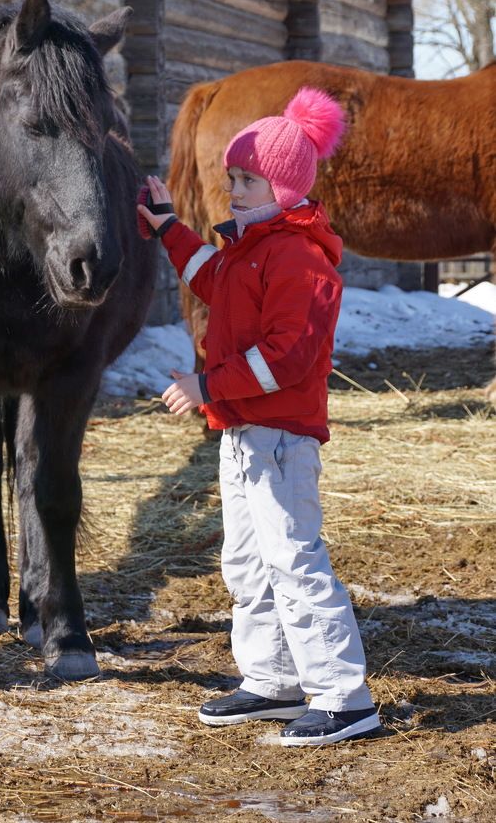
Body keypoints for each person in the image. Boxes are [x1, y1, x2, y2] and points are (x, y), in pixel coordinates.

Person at [137, 87, 380, 747]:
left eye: (248, 179)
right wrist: (168, 227)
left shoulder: (299, 258)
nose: (234, 189)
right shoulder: (252, 249)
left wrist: (207, 385)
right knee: (247, 563)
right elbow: (209, 277)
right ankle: (272, 680)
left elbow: (287, 357)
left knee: (295, 561)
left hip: (280, 437)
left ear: (286, 186)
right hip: (242, 432)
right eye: (234, 177)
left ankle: (344, 697)